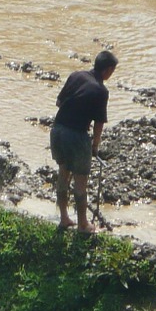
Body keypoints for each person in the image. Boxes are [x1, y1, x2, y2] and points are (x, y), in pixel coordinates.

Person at [50, 50, 117, 233]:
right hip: (76, 136)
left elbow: (59, 102)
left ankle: (64, 218)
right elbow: (99, 123)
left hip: (57, 130)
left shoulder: (76, 76)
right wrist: (95, 145)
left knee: (63, 174)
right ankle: (83, 225)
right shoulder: (101, 91)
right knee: (80, 182)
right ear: (109, 70)